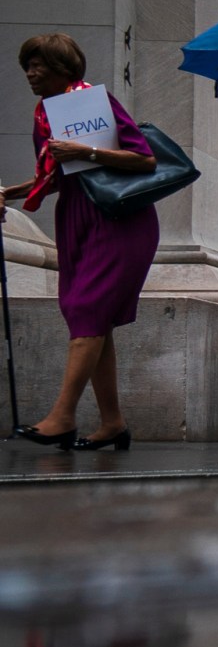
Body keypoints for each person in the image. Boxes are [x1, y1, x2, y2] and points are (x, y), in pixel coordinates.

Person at [2, 34, 161, 450]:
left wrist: (85, 150)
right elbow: (54, 176)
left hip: (118, 218)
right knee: (87, 317)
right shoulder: (44, 114)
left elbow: (144, 159)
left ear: (63, 68)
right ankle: (112, 423)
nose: (30, 73)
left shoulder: (94, 102)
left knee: (89, 309)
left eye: (38, 65)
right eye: (27, 66)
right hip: (76, 217)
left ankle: (63, 416)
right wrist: (10, 192)